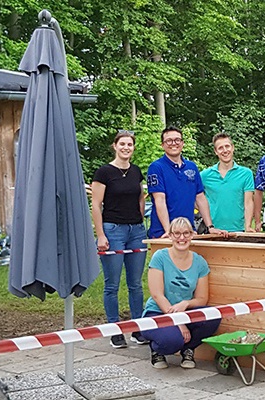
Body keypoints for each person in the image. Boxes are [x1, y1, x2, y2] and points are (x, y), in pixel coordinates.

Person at [91, 130, 148, 348]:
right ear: (115, 146)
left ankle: (137, 328)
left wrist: (139, 220)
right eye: (122, 144)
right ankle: (114, 330)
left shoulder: (135, 171)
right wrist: (101, 235)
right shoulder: (104, 172)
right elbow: (96, 205)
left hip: (135, 231)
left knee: (136, 284)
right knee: (112, 284)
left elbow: (141, 197)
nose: (126, 147)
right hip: (112, 230)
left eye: (130, 144)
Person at [140, 217, 221, 369]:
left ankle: (188, 349)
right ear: (170, 236)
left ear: (192, 235)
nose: (181, 238)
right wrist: (179, 323)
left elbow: (202, 299)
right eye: (176, 233)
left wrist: (186, 303)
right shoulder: (160, 257)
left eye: (186, 233)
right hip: (158, 312)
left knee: (213, 315)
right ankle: (157, 350)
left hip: (185, 311)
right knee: (172, 341)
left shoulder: (200, 262)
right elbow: (157, 295)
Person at [147, 126, 225, 238]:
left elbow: (200, 198)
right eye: (169, 140)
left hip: (188, 232)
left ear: (182, 143)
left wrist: (210, 227)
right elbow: (159, 200)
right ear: (162, 145)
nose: (173, 143)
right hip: (163, 233)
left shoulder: (192, 167)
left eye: (177, 140)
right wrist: (169, 231)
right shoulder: (156, 168)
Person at [200, 132, 256, 232]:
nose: (225, 150)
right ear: (215, 151)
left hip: (239, 231)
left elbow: (248, 202)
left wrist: (247, 226)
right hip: (213, 231)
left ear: (232, 147)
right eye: (220, 148)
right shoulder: (205, 175)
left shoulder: (246, 174)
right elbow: (196, 198)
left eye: (227, 146)